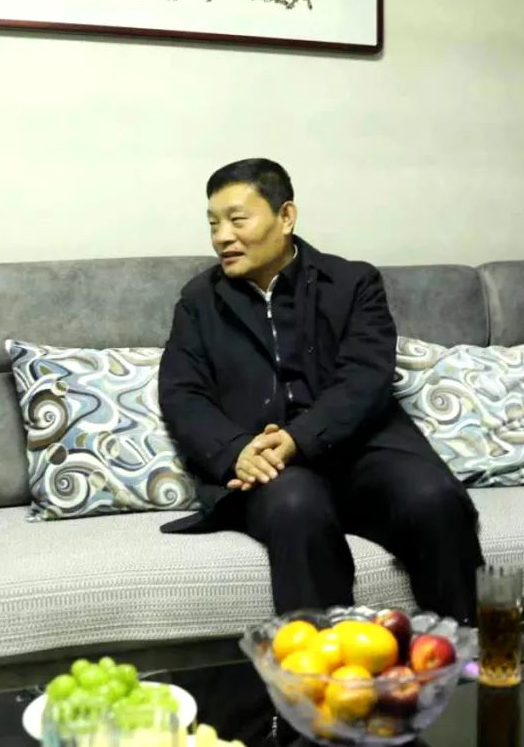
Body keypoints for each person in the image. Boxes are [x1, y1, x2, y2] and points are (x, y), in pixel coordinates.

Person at [158, 158, 484, 622]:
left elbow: (365, 377)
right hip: (271, 467)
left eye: (237, 220)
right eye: (213, 224)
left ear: (286, 216)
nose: (222, 237)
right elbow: (182, 393)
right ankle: (322, 663)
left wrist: (298, 438)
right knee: (297, 507)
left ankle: (470, 650)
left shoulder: (352, 283)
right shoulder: (198, 302)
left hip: (362, 450)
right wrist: (237, 452)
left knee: (434, 498)